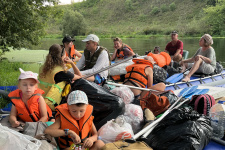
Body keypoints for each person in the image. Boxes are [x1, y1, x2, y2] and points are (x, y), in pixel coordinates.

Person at [39, 44, 82, 110]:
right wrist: (72, 63)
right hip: (49, 105)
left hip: (38, 99)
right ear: (62, 56)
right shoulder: (61, 72)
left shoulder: (43, 67)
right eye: (65, 54)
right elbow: (79, 76)